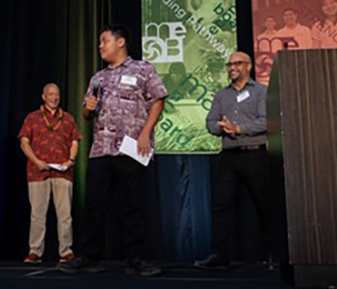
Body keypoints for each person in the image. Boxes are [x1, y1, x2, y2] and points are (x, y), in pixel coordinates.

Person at [58, 24, 168, 276]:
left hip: (130, 148)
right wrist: (88, 106)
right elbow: (87, 113)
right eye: (99, 42)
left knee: (132, 205)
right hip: (100, 150)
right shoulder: (98, 77)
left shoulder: (142, 69)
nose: (100, 46)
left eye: (104, 41)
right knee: (94, 206)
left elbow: (158, 101)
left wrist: (145, 134)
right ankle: (90, 258)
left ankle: (136, 259)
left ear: (120, 42)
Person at [194, 52, 273, 269]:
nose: (231, 68)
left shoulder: (261, 92)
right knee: (221, 206)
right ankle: (220, 255)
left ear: (248, 66)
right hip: (229, 157)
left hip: (254, 155)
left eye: (237, 64)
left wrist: (239, 128)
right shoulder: (221, 95)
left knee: (264, 205)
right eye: (229, 64)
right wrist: (220, 126)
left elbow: (266, 121)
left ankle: (275, 254)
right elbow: (210, 122)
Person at [19, 83, 82, 264]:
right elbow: (24, 142)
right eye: (51, 94)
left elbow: (75, 141)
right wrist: (36, 161)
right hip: (37, 172)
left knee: (65, 214)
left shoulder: (68, 118)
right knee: (37, 214)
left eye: (57, 95)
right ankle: (35, 251)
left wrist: (70, 160)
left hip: (63, 172)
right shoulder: (32, 118)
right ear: (43, 96)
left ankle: (66, 250)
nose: (54, 98)